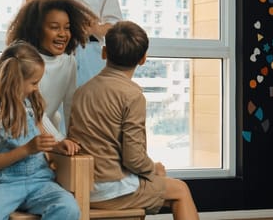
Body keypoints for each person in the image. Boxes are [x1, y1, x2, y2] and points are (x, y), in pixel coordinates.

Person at [67, 21, 199, 220]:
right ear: (143, 59)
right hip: (111, 190)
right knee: (180, 190)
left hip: (80, 186)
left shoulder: (82, 91)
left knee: (162, 187)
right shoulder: (132, 95)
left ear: (104, 52)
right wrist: (154, 169)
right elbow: (134, 158)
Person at [0, 40, 80, 220]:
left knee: (68, 208)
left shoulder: (30, 101)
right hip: (4, 184)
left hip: (39, 181)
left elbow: (40, 140)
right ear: (15, 82)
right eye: (34, 83)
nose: (36, 88)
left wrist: (57, 145)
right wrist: (26, 149)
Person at [6, 0, 97, 140]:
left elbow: (69, 105)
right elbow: (34, 111)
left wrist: (73, 140)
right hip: (19, 134)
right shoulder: (24, 61)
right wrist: (59, 140)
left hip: (45, 135)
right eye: (54, 27)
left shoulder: (69, 62)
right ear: (36, 30)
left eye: (67, 28)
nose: (62, 34)